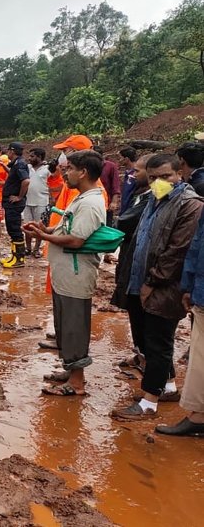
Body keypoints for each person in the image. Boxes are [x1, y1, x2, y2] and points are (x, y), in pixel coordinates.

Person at [111, 154, 204, 421]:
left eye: (165, 177)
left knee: (158, 342)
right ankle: (168, 387)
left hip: (165, 285)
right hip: (142, 281)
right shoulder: (153, 199)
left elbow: (177, 251)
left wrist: (152, 282)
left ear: (179, 175)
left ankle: (149, 403)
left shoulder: (190, 205)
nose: (159, 182)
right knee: (150, 340)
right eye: (153, 178)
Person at [24, 150, 106, 396]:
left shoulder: (91, 203)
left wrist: (43, 236)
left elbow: (76, 240)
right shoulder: (80, 198)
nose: (64, 172)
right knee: (64, 324)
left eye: (69, 168)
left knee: (74, 326)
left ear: (83, 172)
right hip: (66, 274)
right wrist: (45, 228)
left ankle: (77, 383)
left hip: (75, 275)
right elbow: (66, 229)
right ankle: (71, 370)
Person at [156, 182, 204, 436]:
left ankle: (199, 417)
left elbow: (195, 248)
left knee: (201, 357)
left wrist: (188, 285)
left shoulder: (191, 203)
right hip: (200, 291)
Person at [111, 155, 153, 375]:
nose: (132, 174)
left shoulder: (152, 200)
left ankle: (151, 366)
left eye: (138, 171)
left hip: (144, 269)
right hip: (130, 261)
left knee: (144, 318)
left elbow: (125, 221)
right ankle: (140, 354)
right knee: (134, 313)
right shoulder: (140, 195)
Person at [0, 142, 31, 268]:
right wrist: (4, 167)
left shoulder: (20, 164)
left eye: (8, 150)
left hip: (14, 204)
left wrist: (19, 196)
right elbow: (15, 176)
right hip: (10, 203)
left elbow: (26, 181)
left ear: (12, 151)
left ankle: (19, 259)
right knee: (12, 230)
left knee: (15, 230)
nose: (7, 152)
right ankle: (14, 256)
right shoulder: (16, 164)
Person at [24, 148, 51, 258]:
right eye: (29, 156)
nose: (29, 158)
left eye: (32, 156)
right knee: (27, 226)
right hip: (27, 201)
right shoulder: (27, 168)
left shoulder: (48, 169)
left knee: (39, 227)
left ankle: (36, 249)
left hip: (41, 202)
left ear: (39, 157)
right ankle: (28, 248)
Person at [119, 147, 139, 216]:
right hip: (124, 210)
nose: (119, 160)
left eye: (121, 158)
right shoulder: (128, 173)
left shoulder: (137, 175)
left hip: (131, 211)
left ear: (126, 159)